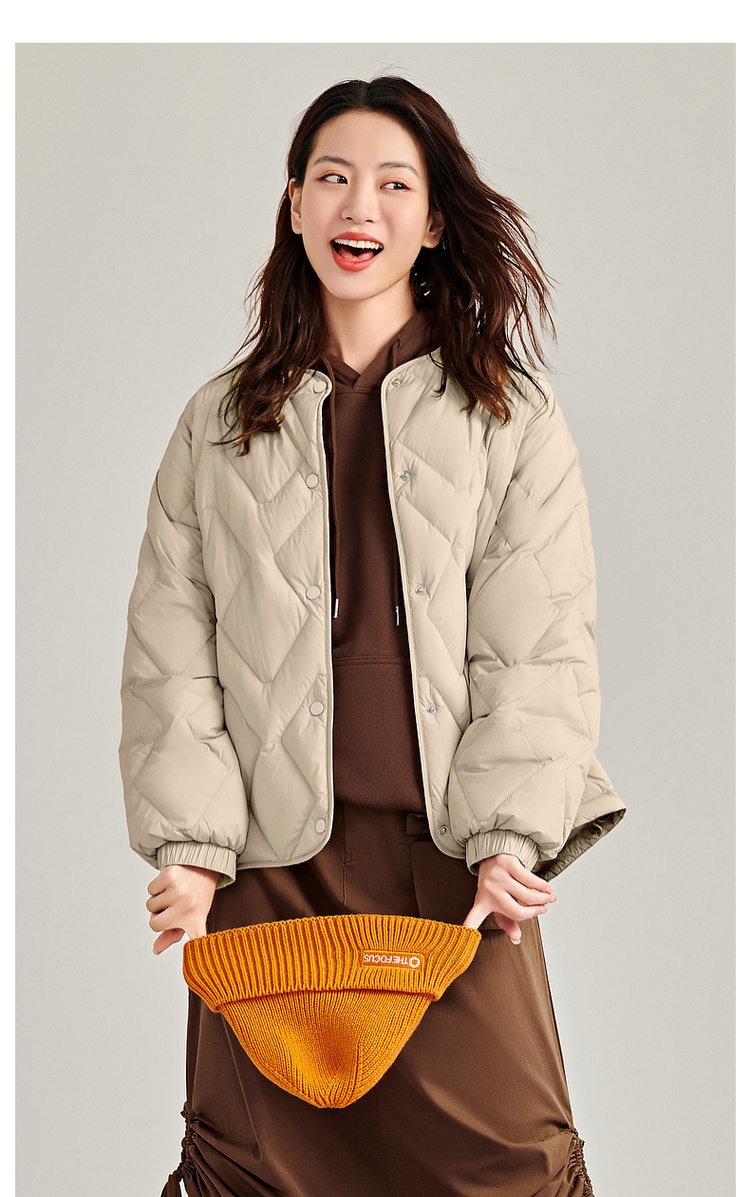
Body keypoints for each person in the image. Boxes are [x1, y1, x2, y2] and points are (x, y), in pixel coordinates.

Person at [119, 75, 626, 1197]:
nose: (361, 207)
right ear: (295, 204)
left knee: (514, 1164)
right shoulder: (216, 425)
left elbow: (539, 647)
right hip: (268, 869)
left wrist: (510, 834)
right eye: (334, 178)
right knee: (258, 1171)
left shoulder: (510, 415)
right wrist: (190, 849)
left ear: (434, 220)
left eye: (395, 184)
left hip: (454, 864)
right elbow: (170, 649)